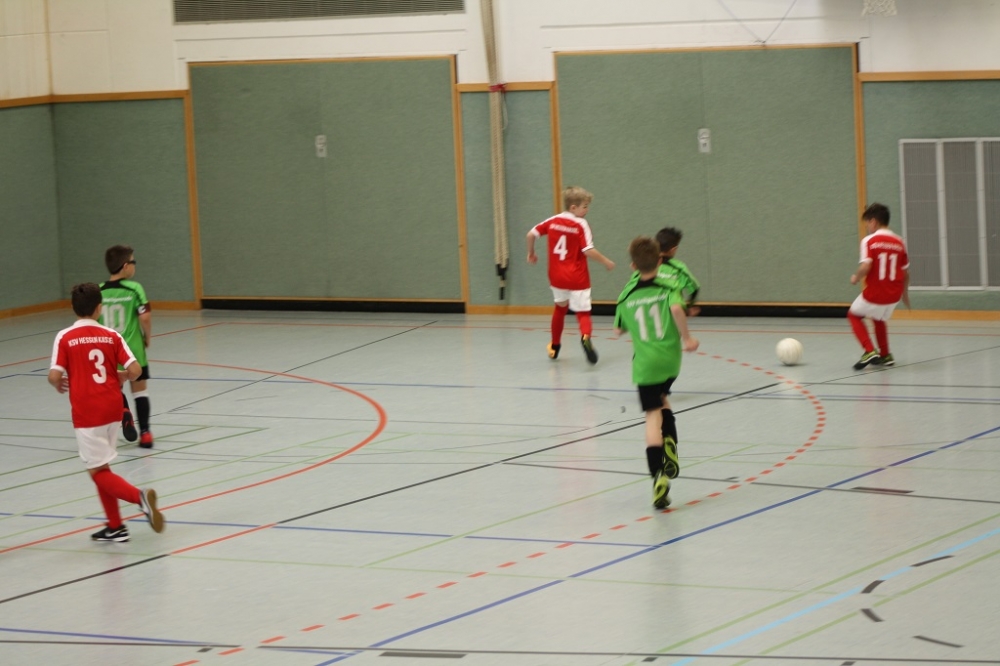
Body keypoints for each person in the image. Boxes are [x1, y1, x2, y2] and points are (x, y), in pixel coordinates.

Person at [49, 283, 165, 542]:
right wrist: (122, 375)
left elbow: (54, 375)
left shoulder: (65, 337)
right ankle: (116, 527)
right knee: (102, 467)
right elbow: (135, 371)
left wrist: (57, 382)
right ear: (99, 308)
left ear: (73, 308)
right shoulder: (112, 335)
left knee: (97, 471)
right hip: (114, 410)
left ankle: (140, 498)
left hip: (88, 413)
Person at [614, 237, 699, 509]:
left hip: (645, 364)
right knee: (663, 398)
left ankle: (657, 476)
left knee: (652, 416)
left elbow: (618, 329)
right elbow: (676, 308)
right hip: (671, 361)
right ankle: (670, 440)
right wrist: (687, 338)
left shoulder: (626, 295)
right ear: (660, 261)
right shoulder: (668, 287)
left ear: (632, 266)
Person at [526, 186, 615, 363]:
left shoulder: (553, 221)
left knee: (560, 309)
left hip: (556, 277)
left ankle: (555, 346)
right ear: (573, 207)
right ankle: (585, 337)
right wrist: (606, 261)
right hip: (577, 277)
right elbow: (588, 250)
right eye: (585, 206)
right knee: (583, 313)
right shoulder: (580, 224)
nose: (587, 210)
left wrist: (531, 253)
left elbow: (531, 234)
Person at [101, 245, 154, 447]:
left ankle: (123, 410)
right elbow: (145, 317)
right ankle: (146, 433)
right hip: (132, 349)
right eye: (133, 262)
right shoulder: (134, 288)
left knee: (115, 389)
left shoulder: (99, 290)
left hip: (109, 350)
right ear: (125, 266)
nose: (134, 266)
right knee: (140, 390)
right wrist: (147, 337)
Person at [848, 203, 910, 370]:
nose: (868, 227)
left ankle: (869, 350)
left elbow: (866, 265)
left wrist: (856, 277)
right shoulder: (900, 242)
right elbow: (905, 272)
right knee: (878, 317)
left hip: (876, 292)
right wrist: (905, 294)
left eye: (867, 223)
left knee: (853, 315)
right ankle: (885, 355)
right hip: (894, 294)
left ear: (873, 221)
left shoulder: (869, 241)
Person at [617, 226, 701, 316]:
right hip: (671, 314)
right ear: (673, 249)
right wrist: (689, 307)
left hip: (645, 312)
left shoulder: (644, 267)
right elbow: (695, 288)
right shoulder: (679, 268)